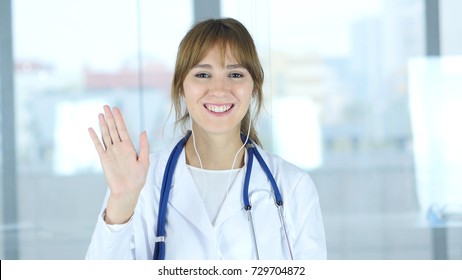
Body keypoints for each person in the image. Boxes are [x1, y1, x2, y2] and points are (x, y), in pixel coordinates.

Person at [86, 17, 326, 260]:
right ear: (181, 86)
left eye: (235, 74)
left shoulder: (293, 187)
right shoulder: (141, 184)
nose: (220, 89)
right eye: (202, 75)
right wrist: (121, 203)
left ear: (254, 86)